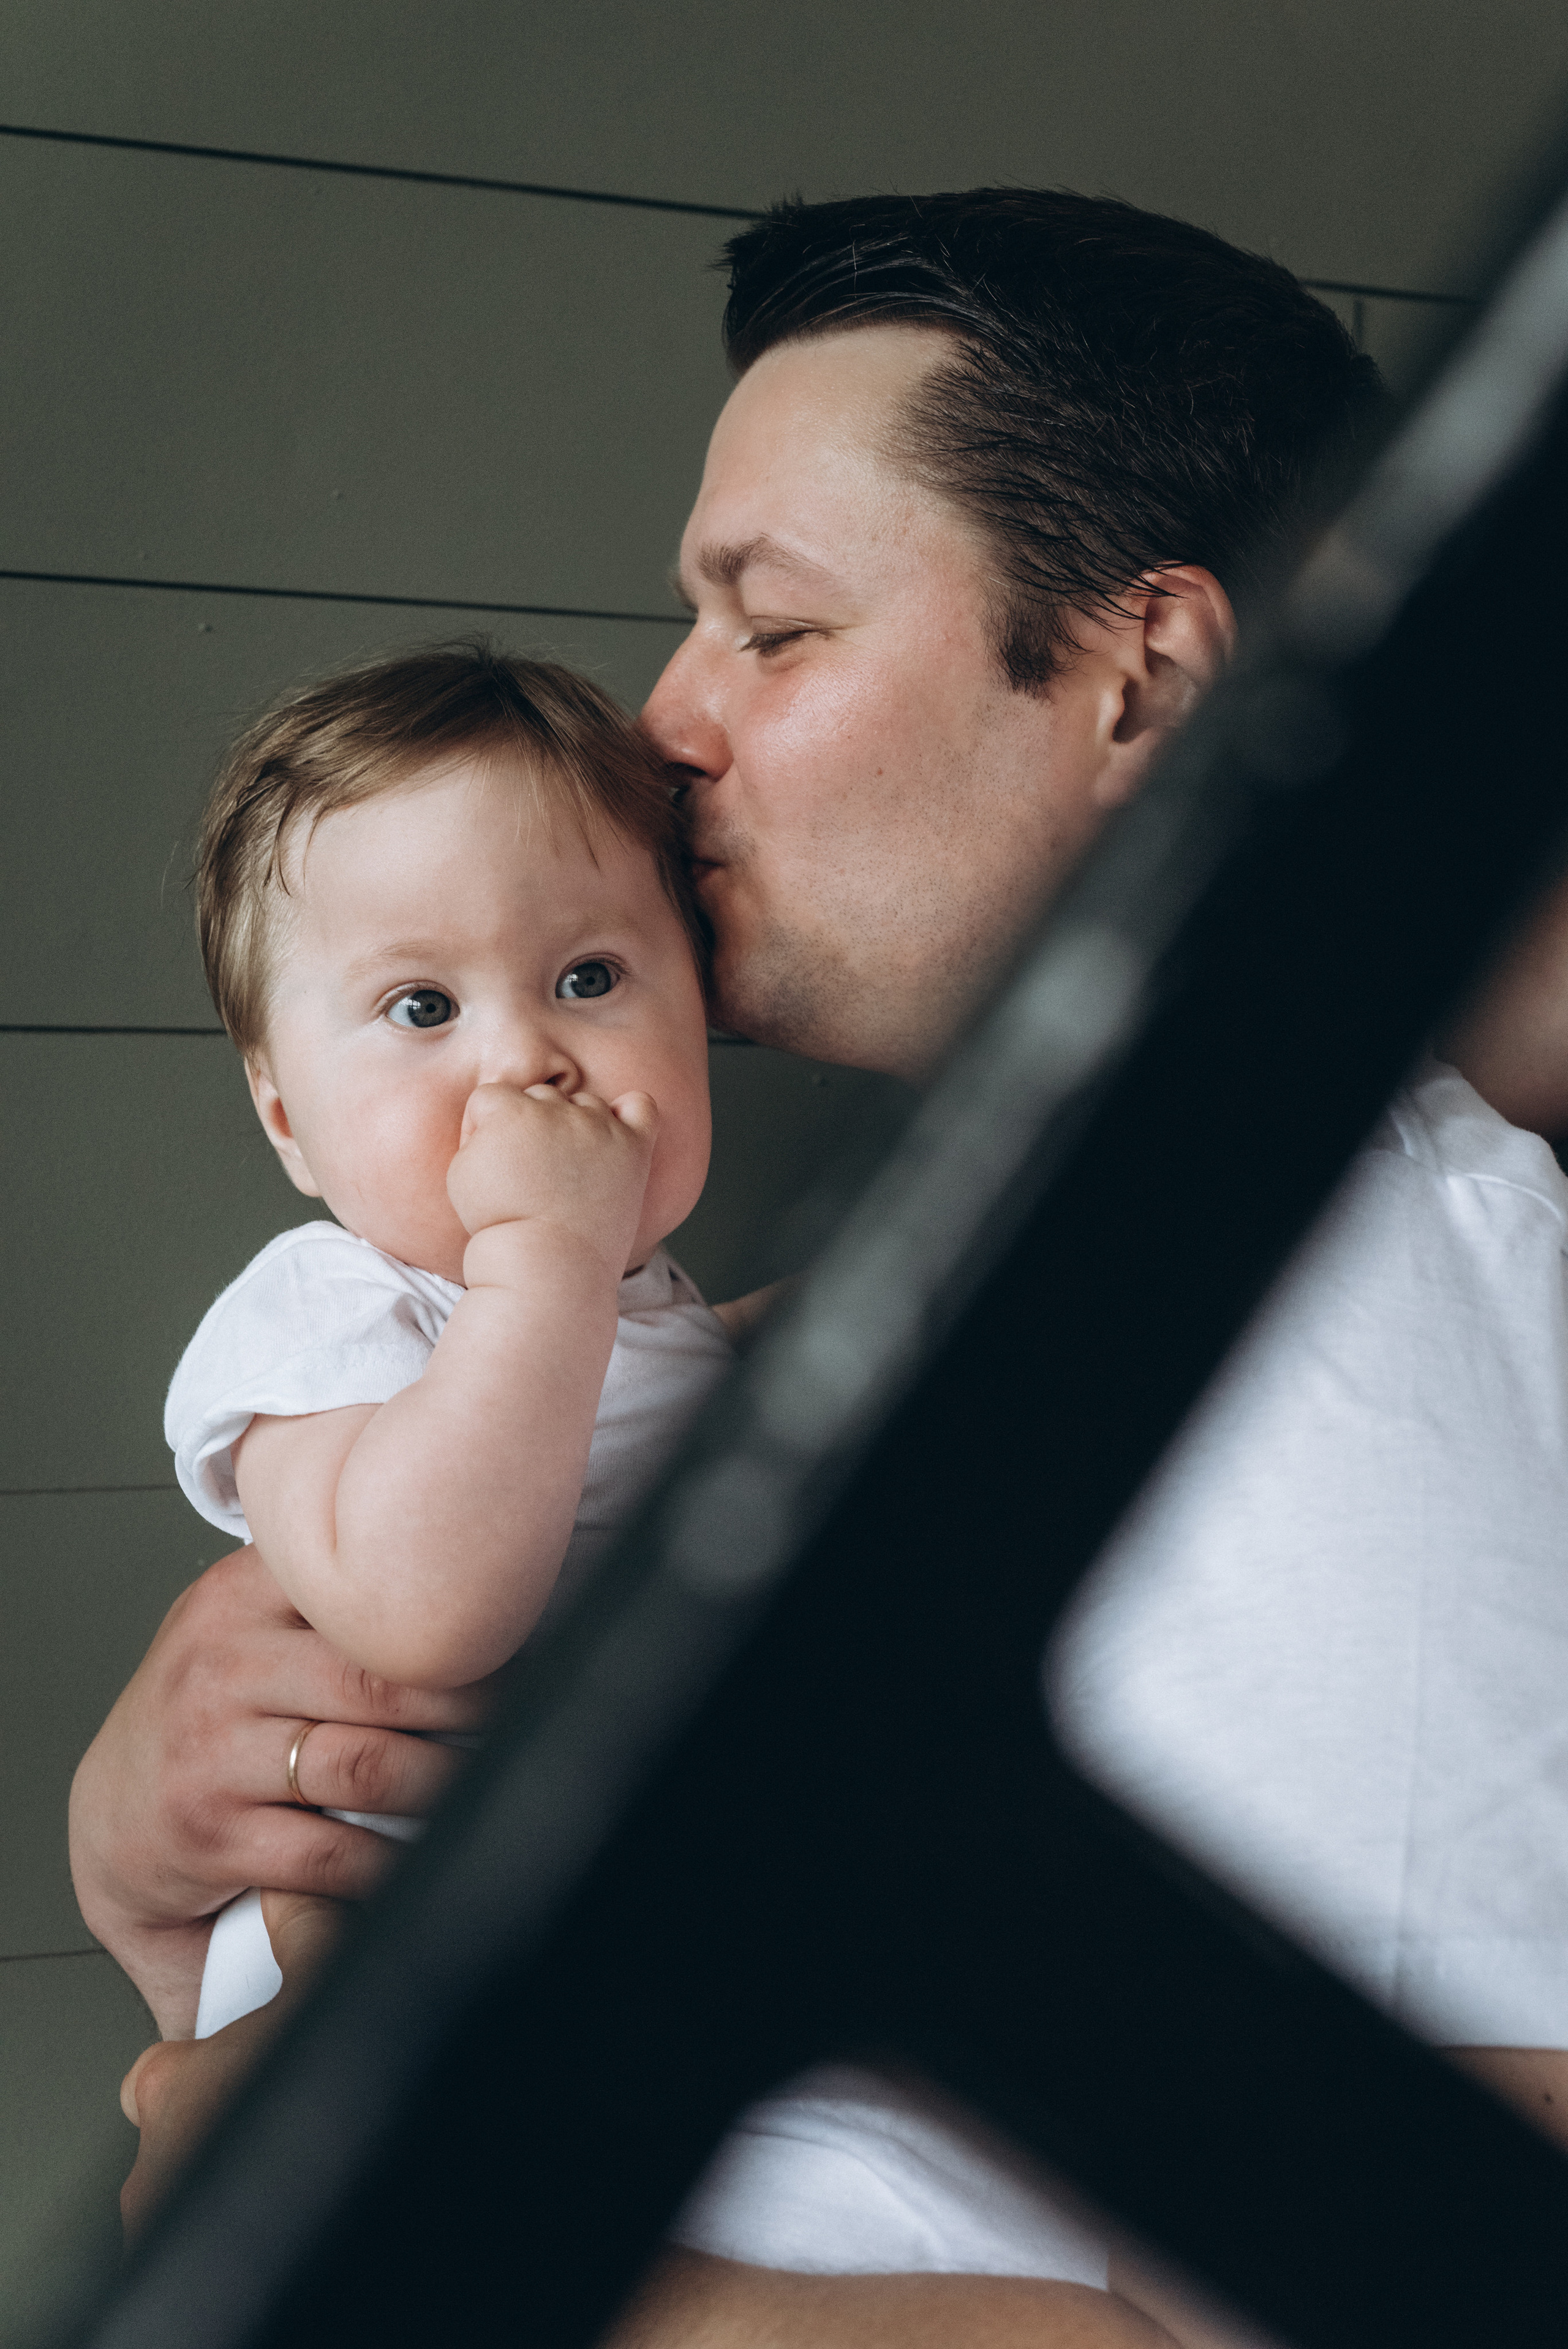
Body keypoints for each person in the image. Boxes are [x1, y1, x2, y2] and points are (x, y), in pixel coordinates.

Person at [83, 187, 1567, 2342]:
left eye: (770, 630)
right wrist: (150, 1820)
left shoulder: (1338, 1325)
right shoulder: (1031, 1270)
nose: (667, 720)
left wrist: (472, 2253)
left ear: (1147, 679)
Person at [160, 645, 734, 2037]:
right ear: (288, 1120)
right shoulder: (334, 1314)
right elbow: (426, 1613)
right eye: (423, 1008)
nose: (523, 1058)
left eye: (589, 976)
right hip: (388, 1973)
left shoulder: (650, 1308)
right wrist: (545, 1263)